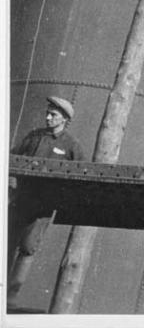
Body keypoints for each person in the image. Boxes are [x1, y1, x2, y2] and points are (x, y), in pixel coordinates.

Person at [7, 96, 85, 304]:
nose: (48, 117)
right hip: (20, 200)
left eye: (53, 115)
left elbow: (81, 175)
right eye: (48, 113)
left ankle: (10, 299)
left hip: (43, 207)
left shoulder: (71, 146)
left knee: (28, 247)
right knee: (7, 243)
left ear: (64, 119)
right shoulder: (33, 137)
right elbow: (11, 159)